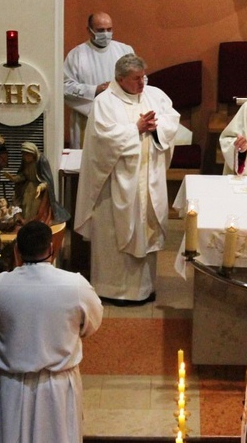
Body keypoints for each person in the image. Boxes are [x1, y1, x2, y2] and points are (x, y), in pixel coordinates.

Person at [0, 220, 103, 443]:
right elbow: (92, 324)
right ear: (52, 249)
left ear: (17, 251)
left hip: (12, 386)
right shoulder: (75, 286)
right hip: (58, 388)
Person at [74, 54, 179, 306]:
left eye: (143, 76)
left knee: (147, 231)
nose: (142, 83)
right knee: (113, 236)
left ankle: (145, 288)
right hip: (114, 185)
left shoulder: (155, 95)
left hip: (148, 178)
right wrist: (136, 129)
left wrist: (156, 127)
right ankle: (112, 289)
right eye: (136, 79)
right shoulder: (104, 102)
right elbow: (102, 140)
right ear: (120, 79)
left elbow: (171, 118)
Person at [64, 11, 134, 149]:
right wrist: (95, 90)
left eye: (109, 29)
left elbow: (141, 79)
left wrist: (121, 87)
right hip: (88, 119)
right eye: (100, 30)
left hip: (119, 118)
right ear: (89, 31)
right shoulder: (77, 54)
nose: (106, 34)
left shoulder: (125, 51)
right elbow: (64, 87)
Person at [4, 142, 70, 225]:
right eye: (24, 155)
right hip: (28, 187)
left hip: (39, 190)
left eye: (28, 155)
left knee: (35, 208)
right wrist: (14, 178)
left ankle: (33, 224)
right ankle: (25, 223)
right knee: (24, 206)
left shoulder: (42, 161)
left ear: (33, 154)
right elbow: (24, 175)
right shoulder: (25, 161)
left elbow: (47, 180)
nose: (26, 157)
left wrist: (40, 187)